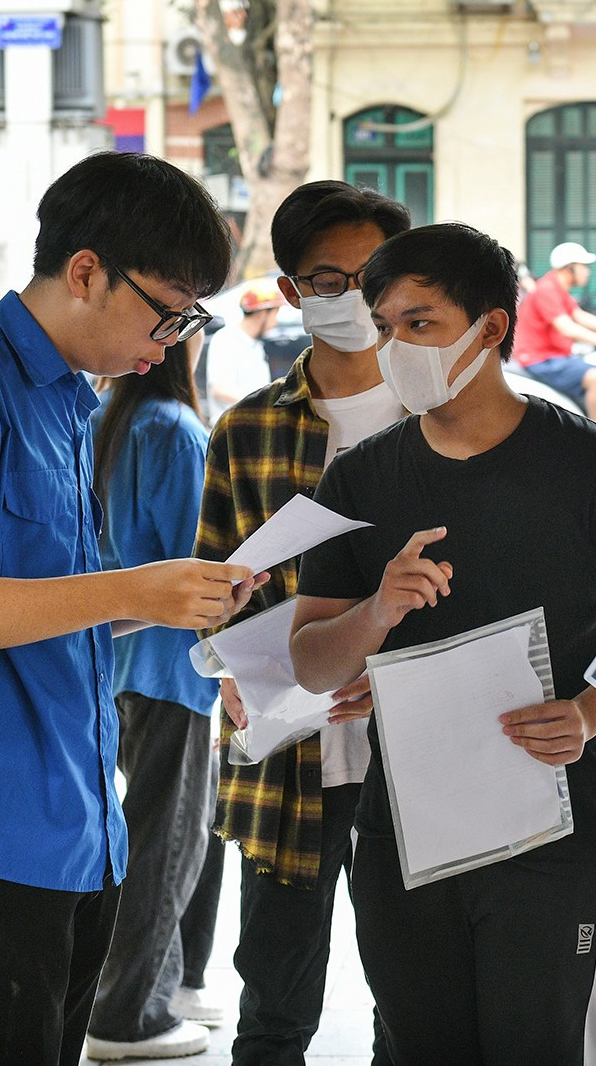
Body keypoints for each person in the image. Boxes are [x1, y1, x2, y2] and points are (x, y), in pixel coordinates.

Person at [0, 151, 263, 1066]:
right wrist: (130, 589)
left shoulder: (66, 403)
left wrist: (165, 599)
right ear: (85, 271)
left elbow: (46, 604)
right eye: (166, 309)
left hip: (76, 826)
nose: (172, 340)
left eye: (189, 317)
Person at [289, 222, 596, 1064]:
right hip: (406, 833)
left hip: (557, 830)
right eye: (387, 327)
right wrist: (377, 611)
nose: (397, 348)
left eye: (420, 324)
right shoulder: (362, 478)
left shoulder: (593, 469)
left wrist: (590, 713)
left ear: (491, 328)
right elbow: (311, 661)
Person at [199, 180, 408, 1065]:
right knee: (276, 1005)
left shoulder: (440, 418)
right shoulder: (247, 431)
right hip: (289, 756)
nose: (355, 297)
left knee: (412, 1001)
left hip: (416, 749)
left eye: (374, 276)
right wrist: (235, 679)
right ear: (290, 292)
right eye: (330, 279)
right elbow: (207, 594)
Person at [84, 337, 222, 1062]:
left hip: (119, 657)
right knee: (169, 836)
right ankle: (130, 1013)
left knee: (166, 827)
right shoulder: (176, 428)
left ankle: (175, 982)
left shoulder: (111, 416)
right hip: (176, 662)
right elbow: (194, 558)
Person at [511, 241, 596, 422]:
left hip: (555, 357)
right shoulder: (547, 289)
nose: (587, 271)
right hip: (541, 359)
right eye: (584, 267)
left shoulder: (557, 289)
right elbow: (567, 327)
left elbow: (579, 315)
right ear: (569, 268)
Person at [208, 279, 281, 412]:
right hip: (230, 428)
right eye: (275, 315)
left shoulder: (255, 344)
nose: (275, 322)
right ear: (262, 313)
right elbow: (220, 389)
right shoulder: (226, 339)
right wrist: (262, 404)